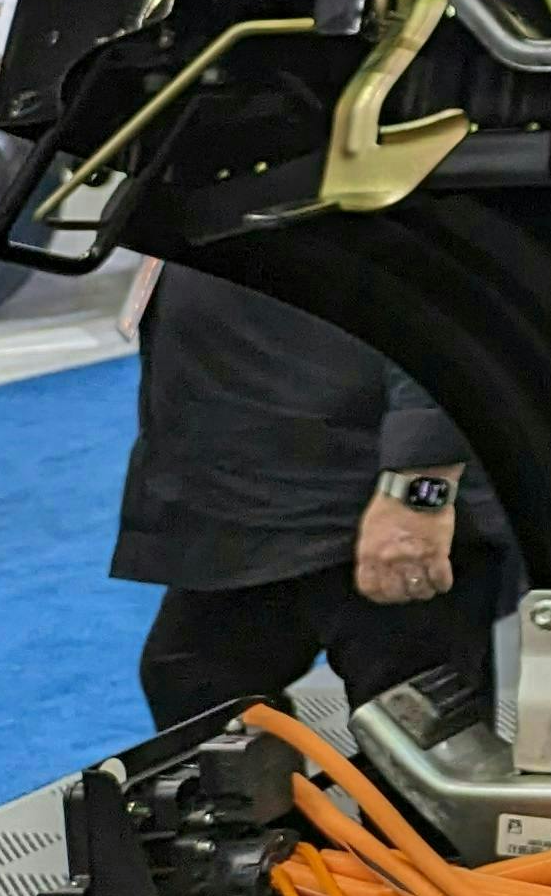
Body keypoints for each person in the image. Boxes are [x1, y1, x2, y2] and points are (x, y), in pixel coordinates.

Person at [119, 262, 519, 726]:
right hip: (247, 499)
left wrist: (418, 491)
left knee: (410, 734)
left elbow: (441, 303)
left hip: (363, 496)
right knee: (194, 691)